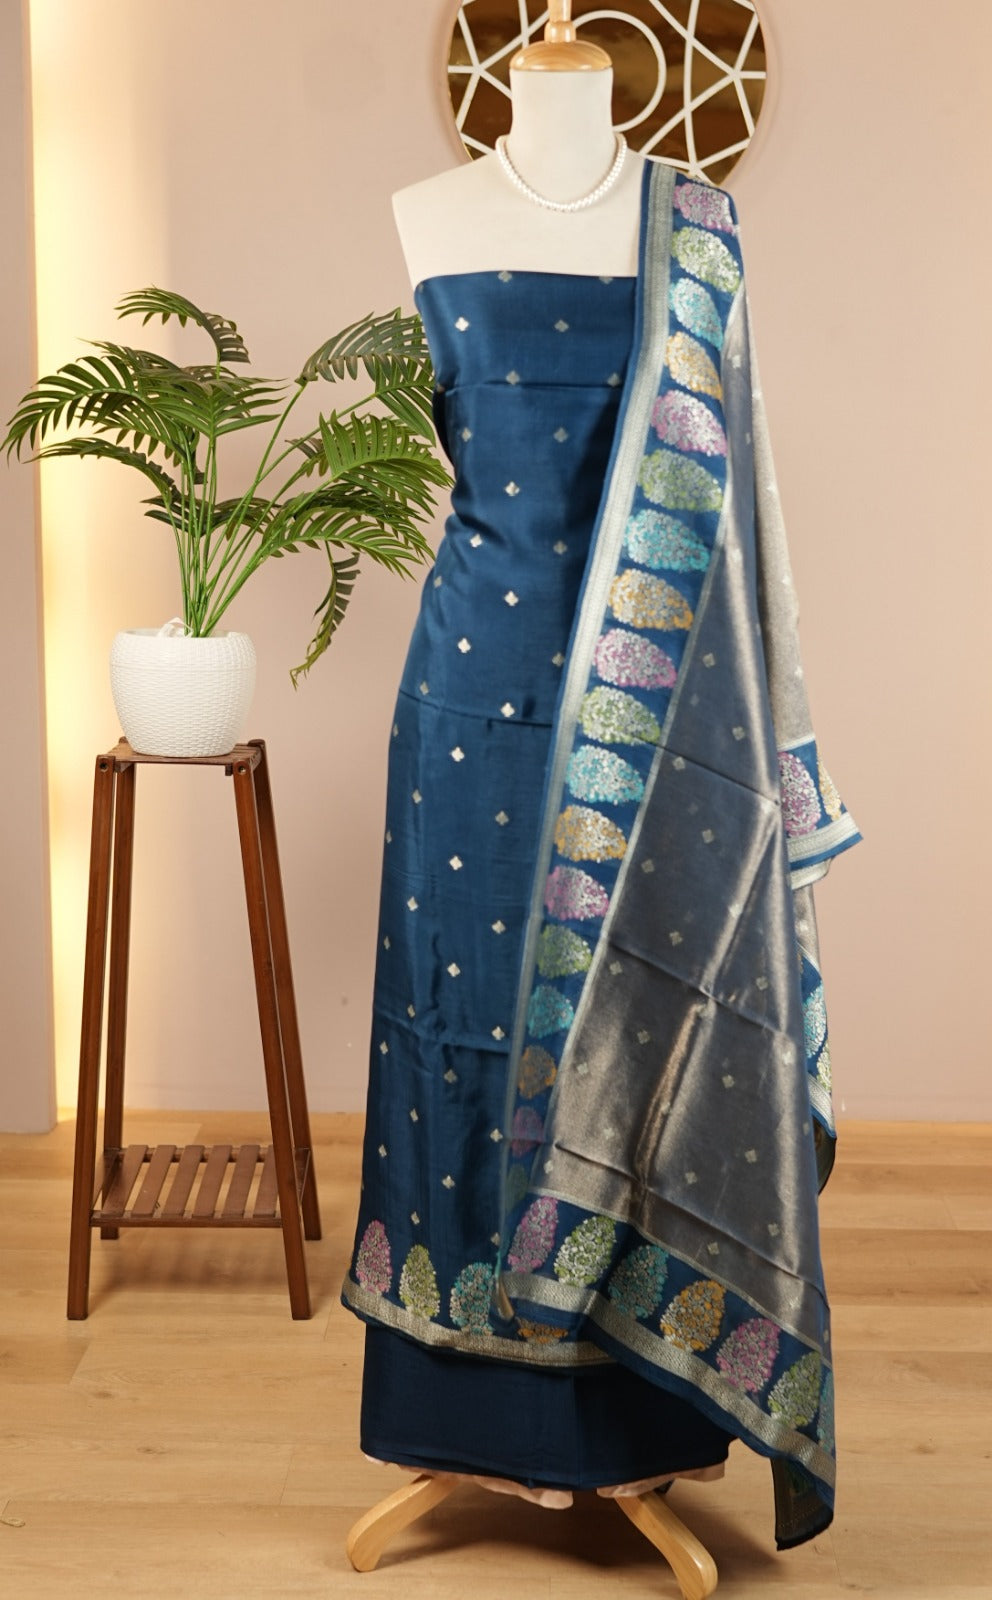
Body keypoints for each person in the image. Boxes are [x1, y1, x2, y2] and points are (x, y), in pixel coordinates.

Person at [342, 34, 860, 1552]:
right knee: (456, 1034)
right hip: (470, 700)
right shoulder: (428, 210)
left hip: (664, 717)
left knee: (647, 1031)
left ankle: (632, 1421)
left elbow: (742, 498)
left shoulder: (696, 226)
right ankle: (467, 1418)